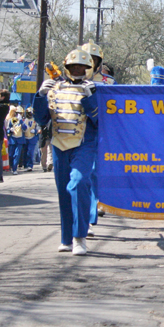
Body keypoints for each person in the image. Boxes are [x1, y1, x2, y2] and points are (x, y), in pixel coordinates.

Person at [34, 48, 99, 256]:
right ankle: (66, 238)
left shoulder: (95, 89)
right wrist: (40, 95)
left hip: (84, 143)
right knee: (63, 193)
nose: (78, 70)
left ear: (89, 68)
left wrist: (91, 98)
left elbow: (100, 120)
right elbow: (41, 119)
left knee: (79, 183)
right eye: (74, 66)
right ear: (67, 67)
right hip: (59, 143)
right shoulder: (55, 87)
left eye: (82, 66)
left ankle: (80, 236)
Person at [82, 41, 115, 234]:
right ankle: (79, 218)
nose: (90, 62)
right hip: (74, 132)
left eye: (94, 59)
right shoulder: (68, 80)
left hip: (100, 133)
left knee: (93, 174)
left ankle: (88, 218)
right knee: (77, 179)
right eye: (86, 58)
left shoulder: (108, 82)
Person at [5, 105, 25, 176]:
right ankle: (11, 166)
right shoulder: (11, 120)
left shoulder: (20, 120)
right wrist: (10, 130)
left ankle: (14, 169)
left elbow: (25, 128)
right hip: (13, 139)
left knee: (17, 155)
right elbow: (7, 129)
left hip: (19, 139)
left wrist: (21, 122)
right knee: (10, 154)